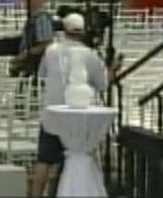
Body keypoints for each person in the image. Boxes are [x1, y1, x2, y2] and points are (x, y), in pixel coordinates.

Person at [31, 13, 108, 197]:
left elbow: (41, 75)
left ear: (63, 31)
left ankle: (36, 195)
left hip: (52, 112)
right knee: (77, 153)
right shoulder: (90, 55)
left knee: (45, 159)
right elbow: (102, 85)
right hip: (78, 116)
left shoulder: (51, 51)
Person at [11, 0, 55, 77]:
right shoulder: (34, 19)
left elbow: (46, 44)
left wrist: (25, 55)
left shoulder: (41, 19)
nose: (23, 1)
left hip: (36, 67)